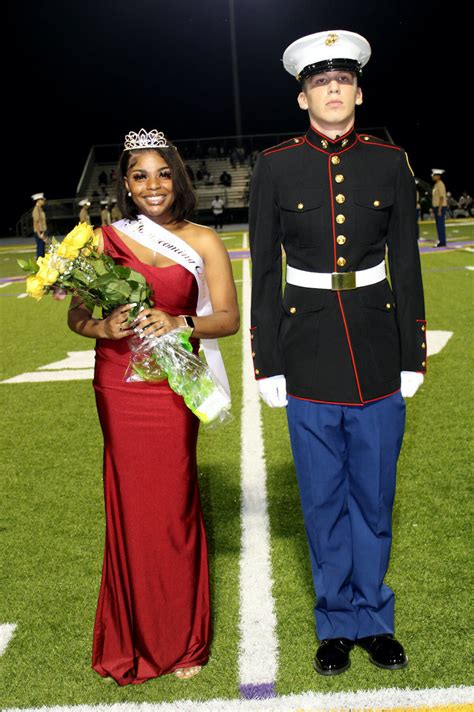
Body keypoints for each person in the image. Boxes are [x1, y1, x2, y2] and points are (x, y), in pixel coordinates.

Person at [249, 30, 426, 677]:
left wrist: (413, 354)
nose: (333, 88)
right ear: (303, 97)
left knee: (373, 498)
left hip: (378, 349)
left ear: (357, 90)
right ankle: (334, 623)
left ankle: (374, 618)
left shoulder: (390, 161)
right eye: (320, 81)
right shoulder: (276, 165)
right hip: (308, 350)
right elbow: (264, 272)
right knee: (323, 499)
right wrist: (267, 359)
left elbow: (406, 263)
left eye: (342, 79)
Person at [67, 128, 239, 686]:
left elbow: (228, 320)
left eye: (162, 173)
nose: (153, 185)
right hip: (118, 383)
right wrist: (103, 324)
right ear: (125, 184)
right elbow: (76, 318)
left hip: (172, 386)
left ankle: (183, 639)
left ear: (178, 177)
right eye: (140, 175)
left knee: (174, 506)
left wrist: (181, 321)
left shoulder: (204, 240)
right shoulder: (101, 240)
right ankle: (133, 635)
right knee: (129, 505)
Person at [431, 169, 447, 246]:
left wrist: (439, 209)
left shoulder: (440, 184)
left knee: (440, 225)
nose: (432, 176)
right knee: (438, 225)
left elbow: (441, 197)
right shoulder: (436, 185)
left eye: (434, 175)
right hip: (437, 207)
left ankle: (442, 242)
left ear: (438, 176)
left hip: (440, 207)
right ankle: (441, 240)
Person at [31, 192, 47, 258]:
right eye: (42, 199)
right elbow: (36, 223)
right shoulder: (36, 209)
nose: (44, 201)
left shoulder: (40, 209)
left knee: (42, 250)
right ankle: (39, 264)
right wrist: (39, 233)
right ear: (38, 200)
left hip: (42, 231)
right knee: (40, 251)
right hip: (39, 232)